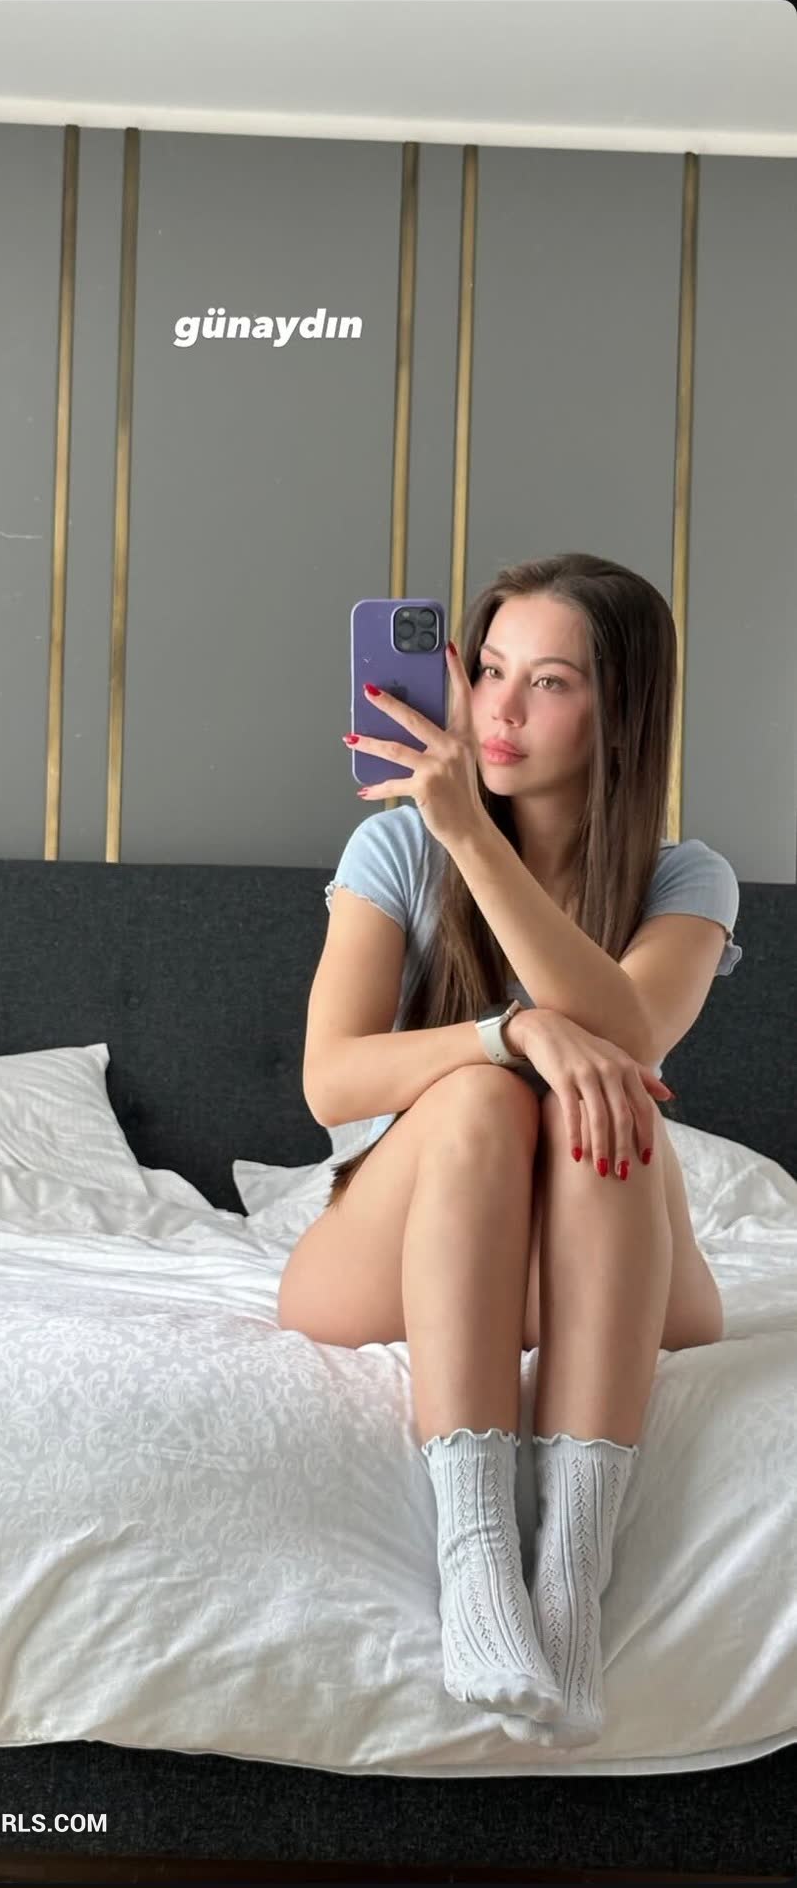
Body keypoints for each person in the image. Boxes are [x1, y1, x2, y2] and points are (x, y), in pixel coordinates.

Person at [276, 552, 741, 1749]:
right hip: (403, 1244)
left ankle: (569, 1581)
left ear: (620, 710)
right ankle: (479, 1556)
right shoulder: (393, 852)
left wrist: (474, 842)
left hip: (605, 1245)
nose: (500, 710)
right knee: (488, 1095)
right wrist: (509, 1032)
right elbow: (330, 1080)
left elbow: (630, 1032)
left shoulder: (685, 879)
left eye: (550, 682)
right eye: (487, 670)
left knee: (601, 1098)